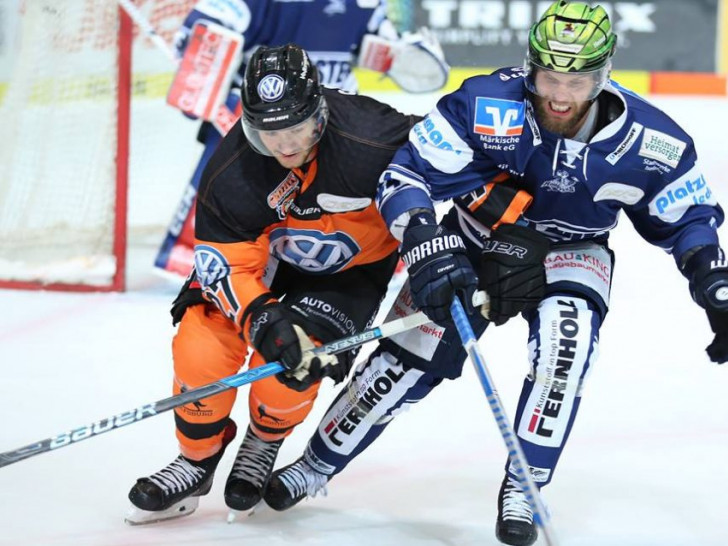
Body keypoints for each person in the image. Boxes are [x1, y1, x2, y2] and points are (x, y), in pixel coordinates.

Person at [258, 2, 728, 546]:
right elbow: (405, 174)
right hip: (472, 242)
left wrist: (713, 282)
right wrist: (424, 242)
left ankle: (525, 486)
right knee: (404, 360)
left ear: (603, 75)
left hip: (571, 252)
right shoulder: (485, 102)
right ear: (530, 65)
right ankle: (317, 463)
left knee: (565, 351)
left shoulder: (653, 141)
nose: (559, 95)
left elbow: (688, 216)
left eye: (577, 81)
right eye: (549, 76)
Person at [125, 43, 422, 524]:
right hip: (263, 261)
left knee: (293, 366)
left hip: (352, 268)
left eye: (296, 129)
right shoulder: (232, 170)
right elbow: (229, 264)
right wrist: (262, 317)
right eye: (268, 131)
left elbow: (462, 160)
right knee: (200, 344)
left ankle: (263, 440)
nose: (283, 145)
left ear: (319, 112)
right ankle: (198, 460)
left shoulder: (375, 136)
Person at [155, 0, 449, 277]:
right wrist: (207, 79)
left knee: (356, 180)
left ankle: (375, 249)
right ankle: (197, 254)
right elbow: (204, 35)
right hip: (264, 120)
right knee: (236, 179)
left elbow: (377, 44)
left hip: (333, 117)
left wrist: (402, 54)